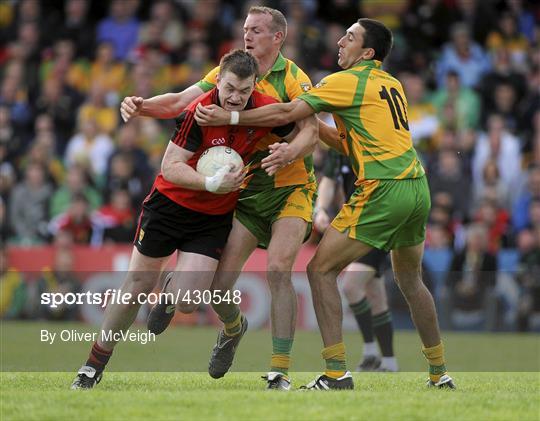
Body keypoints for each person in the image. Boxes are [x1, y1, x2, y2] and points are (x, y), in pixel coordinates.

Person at [195, 18, 455, 390]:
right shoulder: (391, 84)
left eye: (349, 38)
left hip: (382, 188)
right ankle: (439, 372)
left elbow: (286, 114)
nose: (339, 41)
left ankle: (336, 373)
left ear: (366, 52)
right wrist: (315, 125)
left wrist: (231, 116)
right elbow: (348, 141)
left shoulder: (342, 82)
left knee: (319, 271)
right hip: (416, 186)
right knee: (411, 280)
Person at [71, 50, 299, 389]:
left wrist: (290, 150)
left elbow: (299, 123)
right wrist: (211, 183)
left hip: (211, 218)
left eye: (245, 90)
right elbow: (171, 167)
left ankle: (180, 295)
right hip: (169, 207)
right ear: (218, 80)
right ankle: (92, 367)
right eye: (230, 88)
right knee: (135, 288)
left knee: (189, 304)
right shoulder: (199, 111)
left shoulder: (263, 109)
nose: (236, 98)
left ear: (254, 86)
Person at [121, 6, 318, 390]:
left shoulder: (295, 78)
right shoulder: (230, 72)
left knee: (279, 269)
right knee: (215, 289)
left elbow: (310, 130)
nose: (247, 35)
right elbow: (180, 102)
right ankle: (232, 327)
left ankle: (278, 372)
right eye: (245, 28)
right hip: (244, 190)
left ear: (278, 37)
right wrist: (142, 106)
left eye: (257, 30)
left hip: (290, 187)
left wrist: (291, 152)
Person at [314, 149, 397, 372]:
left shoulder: (377, 138)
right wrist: (320, 209)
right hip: (359, 224)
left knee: (351, 285)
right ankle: (389, 362)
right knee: (375, 294)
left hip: (380, 220)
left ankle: (370, 352)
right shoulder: (339, 142)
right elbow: (329, 181)